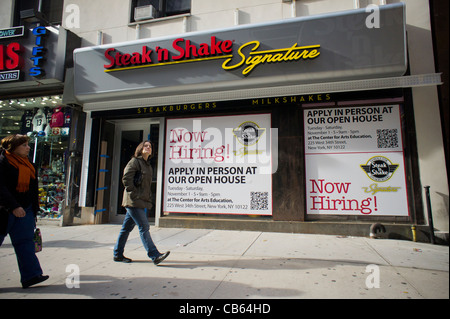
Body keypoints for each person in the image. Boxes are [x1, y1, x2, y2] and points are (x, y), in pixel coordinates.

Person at [0, 134, 49, 288]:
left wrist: (34, 210)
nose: (28, 148)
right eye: (24, 145)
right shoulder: (3, 162)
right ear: (13, 147)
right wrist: (13, 206)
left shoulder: (29, 165)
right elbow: (1, 188)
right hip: (5, 209)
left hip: (25, 208)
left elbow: (32, 190)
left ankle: (31, 275)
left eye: (28, 145)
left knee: (25, 243)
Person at [114, 140, 170, 265]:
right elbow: (126, 179)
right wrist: (135, 195)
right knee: (144, 227)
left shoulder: (148, 165)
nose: (148, 147)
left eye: (150, 146)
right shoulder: (135, 161)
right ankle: (154, 255)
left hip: (140, 201)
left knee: (126, 229)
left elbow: (146, 185)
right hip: (133, 202)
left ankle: (117, 254)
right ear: (140, 148)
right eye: (145, 146)